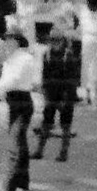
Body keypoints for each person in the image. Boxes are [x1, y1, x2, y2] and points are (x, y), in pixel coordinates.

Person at [0, 23, 42, 191]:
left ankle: (8, 187)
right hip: (16, 101)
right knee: (20, 143)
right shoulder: (15, 58)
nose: (7, 42)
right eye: (6, 39)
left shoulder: (22, 59)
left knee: (14, 144)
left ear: (18, 41)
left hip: (21, 100)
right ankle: (22, 182)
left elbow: (12, 82)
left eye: (10, 39)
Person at [35, 26, 79, 161]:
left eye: (57, 40)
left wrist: (66, 98)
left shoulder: (68, 55)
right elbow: (45, 75)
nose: (54, 43)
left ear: (62, 40)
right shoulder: (46, 54)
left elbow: (73, 79)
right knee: (46, 122)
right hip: (52, 93)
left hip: (66, 93)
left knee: (65, 125)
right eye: (52, 40)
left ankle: (63, 153)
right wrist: (45, 93)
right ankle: (39, 151)